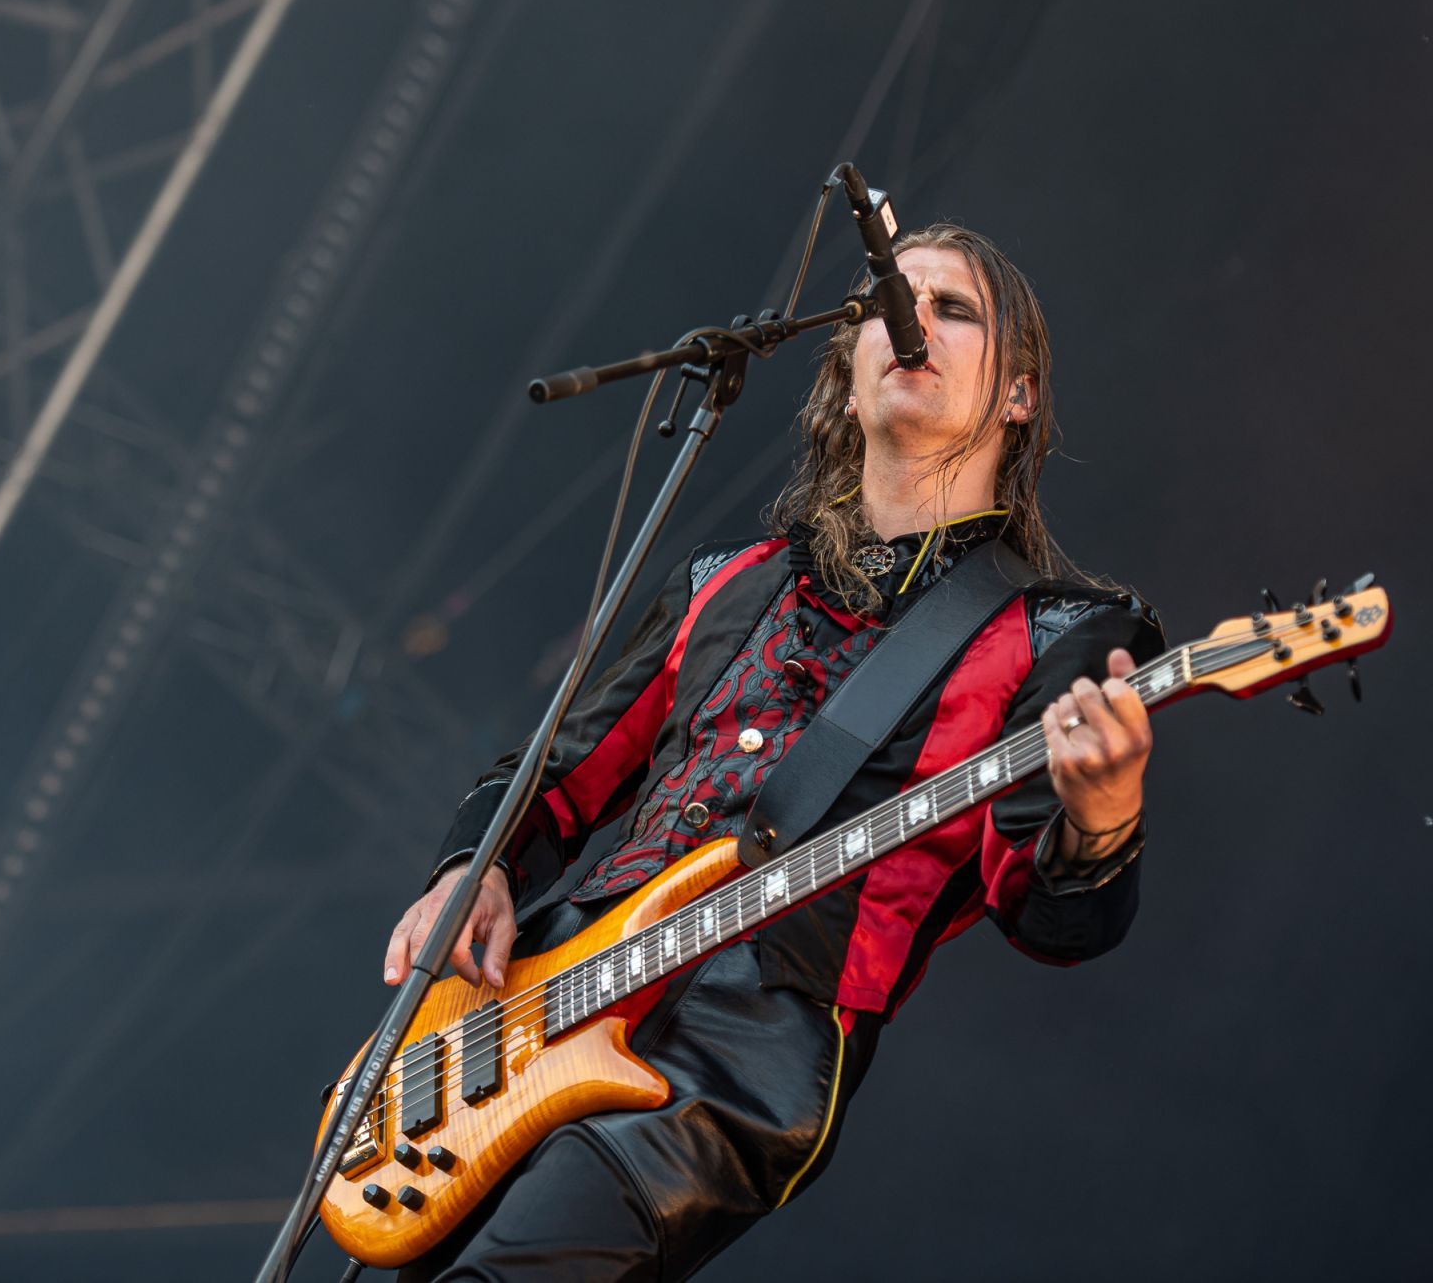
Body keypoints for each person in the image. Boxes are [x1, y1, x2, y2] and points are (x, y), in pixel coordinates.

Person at [382, 223, 1162, 1281]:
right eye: (887, 304)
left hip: (735, 1051)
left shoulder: (1055, 633)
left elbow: (1054, 919)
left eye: (952, 308)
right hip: (529, 1005)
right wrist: (467, 872)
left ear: (1018, 394)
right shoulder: (725, 578)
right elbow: (552, 777)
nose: (910, 320)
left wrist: (1102, 816)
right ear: (846, 374)